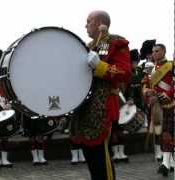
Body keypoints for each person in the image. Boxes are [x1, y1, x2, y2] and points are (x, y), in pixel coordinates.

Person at [71, 10, 131, 180]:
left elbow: (125, 73)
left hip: (102, 107)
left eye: (88, 21)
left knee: (100, 157)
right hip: (84, 107)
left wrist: (101, 66)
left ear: (98, 23)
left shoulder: (116, 42)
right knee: (90, 156)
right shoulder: (87, 47)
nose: (86, 25)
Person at [143, 44, 174, 177]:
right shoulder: (150, 68)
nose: (154, 54)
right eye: (153, 51)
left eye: (157, 51)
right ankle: (168, 162)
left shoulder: (171, 66)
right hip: (156, 106)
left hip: (170, 104)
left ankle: (166, 163)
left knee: (168, 134)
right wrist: (146, 92)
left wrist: (167, 95)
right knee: (162, 134)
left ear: (164, 51)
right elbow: (144, 83)